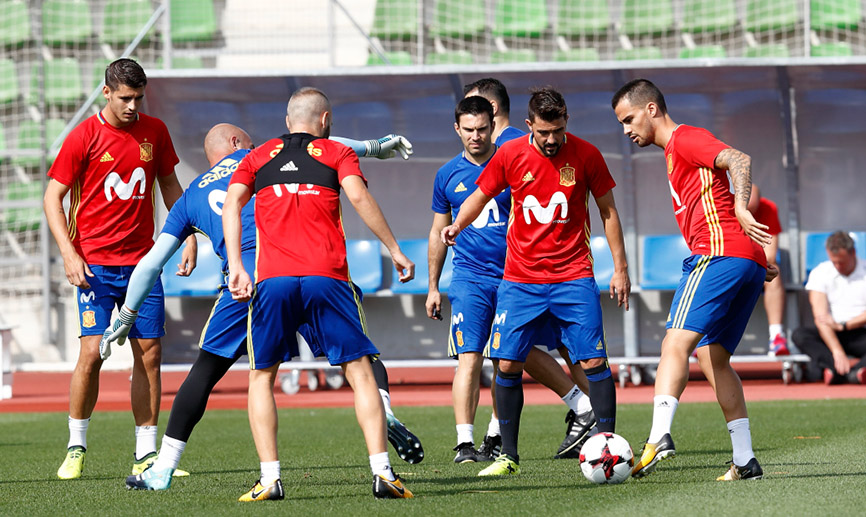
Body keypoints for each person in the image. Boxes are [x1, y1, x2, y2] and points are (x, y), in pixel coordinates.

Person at [99, 124, 421, 491]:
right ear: (237, 143)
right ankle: (382, 412)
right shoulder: (261, 155)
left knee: (208, 371)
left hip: (245, 282)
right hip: (298, 264)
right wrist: (373, 146)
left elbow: (151, 263)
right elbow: (323, 145)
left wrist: (126, 315)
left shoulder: (191, 196)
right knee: (360, 358)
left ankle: (164, 468)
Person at [223, 87, 416, 500]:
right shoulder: (335, 153)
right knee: (360, 372)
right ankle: (383, 473)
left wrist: (237, 266)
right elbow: (359, 196)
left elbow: (230, 205)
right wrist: (394, 250)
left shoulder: (257, 158)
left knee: (262, 376)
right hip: (326, 278)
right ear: (325, 120)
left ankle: (270, 479)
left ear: (287, 121)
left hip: (272, 281)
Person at [442, 87, 630, 477]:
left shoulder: (586, 154)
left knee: (594, 360)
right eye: (544, 132)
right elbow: (480, 194)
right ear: (528, 125)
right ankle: (507, 456)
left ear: (565, 124)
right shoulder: (509, 154)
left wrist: (621, 268)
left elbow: (608, 211)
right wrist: (457, 224)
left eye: (557, 131)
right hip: (521, 280)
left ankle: (608, 447)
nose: (551, 139)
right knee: (507, 363)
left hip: (573, 275)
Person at [612, 78, 778, 481]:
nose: (627, 130)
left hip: (718, 253)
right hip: (744, 261)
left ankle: (659, 437)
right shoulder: (673, 151)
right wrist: (752, 260)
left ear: (652, 109)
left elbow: (738, 159)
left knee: (675, 341)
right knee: (713, 357)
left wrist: (740, 207)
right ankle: (745, 460)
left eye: (630, 119)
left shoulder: (685, 138)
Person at [43, 58, 198, 480]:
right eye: (125, 97)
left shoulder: (155, 132)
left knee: (149, 354)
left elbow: (170, 186)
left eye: (138, 97)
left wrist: (187, 236)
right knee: (91, 354)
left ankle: (146, 454)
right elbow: (51, 197)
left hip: (142, 266)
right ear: (106, 92)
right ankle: (76, 446)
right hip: (93, 267)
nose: (132, 106)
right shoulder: (84, 137)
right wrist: (69, 253)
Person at [793, 231, 866, 384]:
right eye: (835, 262)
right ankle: (850, 372)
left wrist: (844, 325)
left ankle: (838, 372)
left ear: (853, 253)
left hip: (859, 332)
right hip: (829, 333)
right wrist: (837, 350)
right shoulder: (820, 272)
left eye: (842, 262)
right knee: (800, 335)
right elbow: (820, 317)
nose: (838, 266)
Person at [748, 184, 789, 356]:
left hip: (756, 265)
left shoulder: (768, 208)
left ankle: (776, 336)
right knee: (718, 275)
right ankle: (707, 337)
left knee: (774, 274)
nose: (749, 215)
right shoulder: (724, 207)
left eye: (753, 209)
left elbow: (770, 253)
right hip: (732, 264)